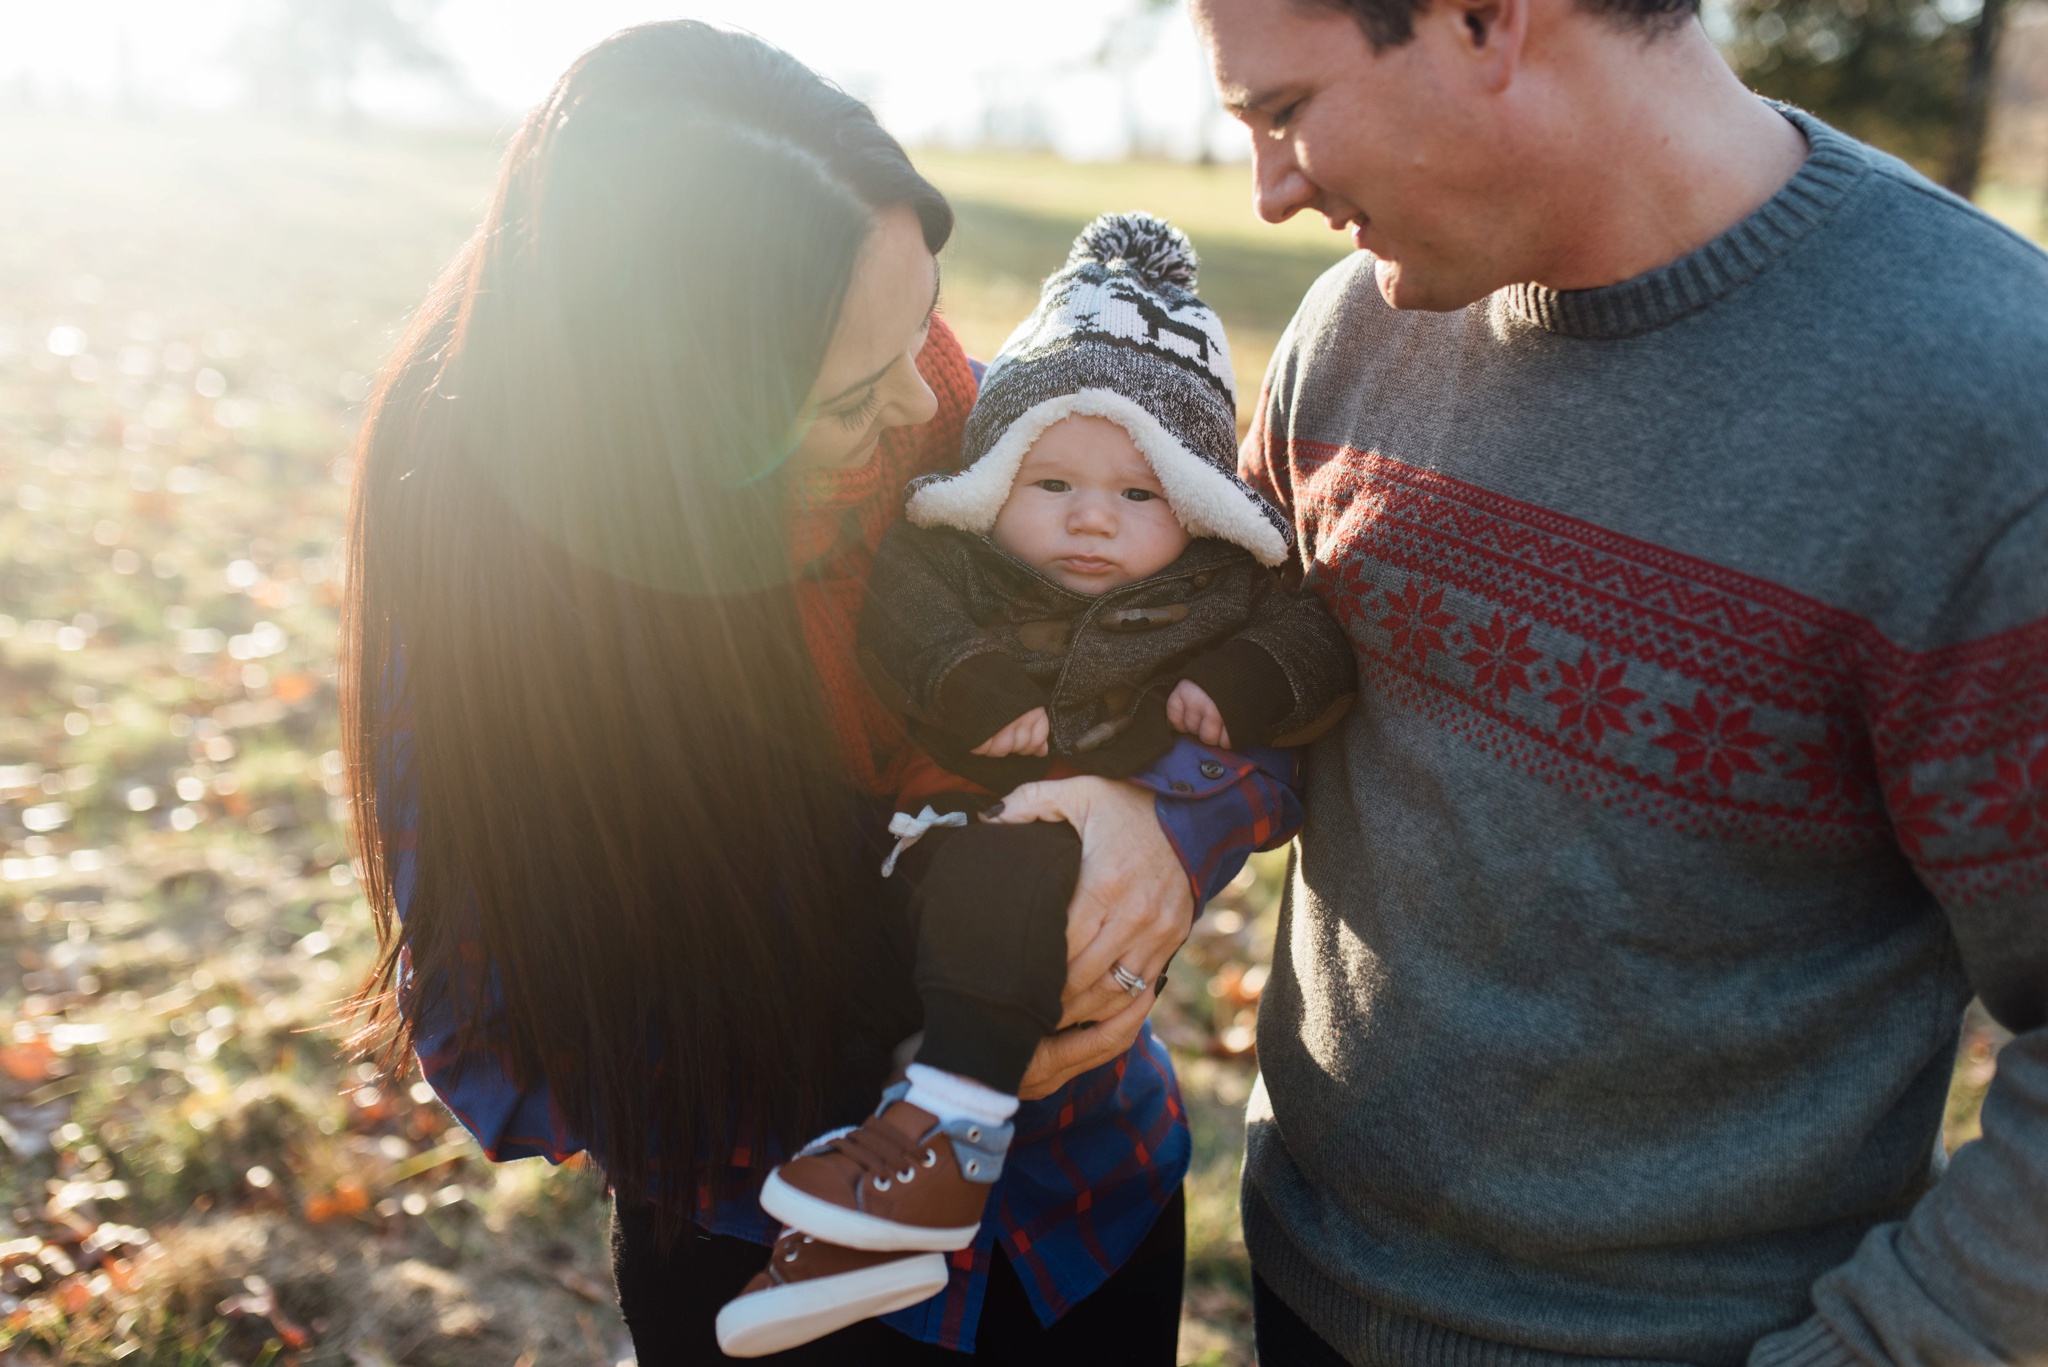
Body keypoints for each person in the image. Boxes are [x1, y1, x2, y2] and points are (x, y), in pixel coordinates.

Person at [340, 22, 1301, 1364]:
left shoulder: (928, 401)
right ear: (679, 421)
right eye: (854, 394)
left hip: (1084, 1204)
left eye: (927, 325)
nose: (929, 399)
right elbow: (494, 1041)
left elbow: (1218, 631)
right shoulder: (498, 590)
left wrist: (1160, 828)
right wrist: (868, 1015)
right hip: (771, 1264)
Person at [1189, 0, 2048, 1362]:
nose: (1272, 191)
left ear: (1485, 22)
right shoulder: (1355, 328)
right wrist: (1142, 822)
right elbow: (1245, 682)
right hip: (1302, 1283)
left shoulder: (1994, 407)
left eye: (1285, 111)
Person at [716, 213, 1354, 1355]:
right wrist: (970, 684)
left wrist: (1238, 695)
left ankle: (911, 1168)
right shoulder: (953, 561)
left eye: (1139, 494)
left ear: (1198, 507)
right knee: (981, 887)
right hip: (942, 870)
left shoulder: (1217, 589)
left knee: (1015, 899)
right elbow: (905, 615)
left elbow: (1313, 646)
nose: (1090, 518)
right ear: (994, 480)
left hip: (1090, 1162)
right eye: (1048, 480)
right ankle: (905, 1174)